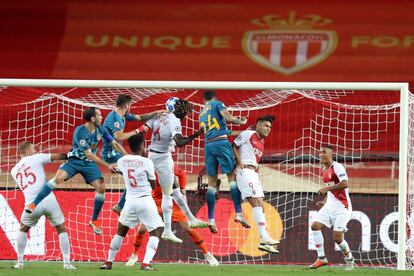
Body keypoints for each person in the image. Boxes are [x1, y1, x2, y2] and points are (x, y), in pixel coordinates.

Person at [25, 107, 125, 235]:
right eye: (99, 115)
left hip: (89, 164)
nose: (102, 117)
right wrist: (108, 165)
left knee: (101, 187)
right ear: (93, 119)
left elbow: (114, 144)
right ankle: (33, 204)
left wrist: (128, 156)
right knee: (58, 178)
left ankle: (94, 221)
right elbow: (89, 154)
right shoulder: (80, 131)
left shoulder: (102, 129)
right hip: (74, 161)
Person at [125, 165, 219, 267]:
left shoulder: (169, 165)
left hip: (172, 202)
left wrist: (183, 189)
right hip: (155, 201)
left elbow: (182, 173)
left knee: (188, 228)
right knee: (141, 229)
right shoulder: (148, 169)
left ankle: (207, 254)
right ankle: (134, 255)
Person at [144, 98, 206, 243]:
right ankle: (167, 230)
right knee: (167, 195)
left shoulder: (159, 115)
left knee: (175, 189)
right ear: (180, 110)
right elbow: (179, 142)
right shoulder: (174, 121)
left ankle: (191, 219)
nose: (188, 114)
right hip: (162, 157)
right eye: (187, 111)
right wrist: (197, 134)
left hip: (153, 153)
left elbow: (145, 127)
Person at [100, 133, 163, 271]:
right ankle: (145, 263)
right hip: (145, 200)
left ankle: (108, 262)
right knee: (157, 230)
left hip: (129, 201)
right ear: (142, 146)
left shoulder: (123, 160)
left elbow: (115, 169)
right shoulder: (147, 162)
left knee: (120, 231)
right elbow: (153, 185)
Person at [10, 141, 76, 270]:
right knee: (61, 228)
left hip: (31, 205)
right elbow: (59, 156)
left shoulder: (13, 170)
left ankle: (20, 262)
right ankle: (67, 263)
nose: (35, 150)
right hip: (48, 199)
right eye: (32, 149)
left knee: (23, 229)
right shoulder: (36, 157)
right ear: (25, 152)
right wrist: (73, 155)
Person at [101, 94, 165, 215]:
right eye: (130, 105)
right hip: (111, 156)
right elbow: (119, 137)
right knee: (136, 173)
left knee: (134, 175)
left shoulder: (122, 115)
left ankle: (122, 206)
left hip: (116, 152)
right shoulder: (114, 119)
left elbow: (139, 117)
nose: (130, 107)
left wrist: (156, 112)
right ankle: (126, 206)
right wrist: (137, 131)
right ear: (126, 106)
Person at [199, 90, 250, 233]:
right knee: (231, 178)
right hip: (221, 144)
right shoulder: (217, 104)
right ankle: (239, 213)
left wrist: (228, 130)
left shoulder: (201, 113)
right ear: (214, 98)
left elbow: (212, 129)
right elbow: (227, 116)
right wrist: (239, 121)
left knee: (211, 184)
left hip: (208, 146)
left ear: (204, 100)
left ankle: (210, 219)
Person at [233, 115, 279, 254]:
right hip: (245, 172)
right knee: (256, 204)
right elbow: (234, 145)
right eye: (266, 125)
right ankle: (264, 237)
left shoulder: (261, 142)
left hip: (253, 174)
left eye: (270, 127)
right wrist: (239, 163)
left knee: (261, 205)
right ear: (258, 125)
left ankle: (264, 241)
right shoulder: (249, 134)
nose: (268, 129)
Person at [309, 145, 354, 270]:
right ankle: (321, 258)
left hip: (342, 207)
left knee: (337, 238)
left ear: (330, 154)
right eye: (319, 152)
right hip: (329, 205)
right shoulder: (323, 170)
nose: (320, 154)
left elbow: (345, 184)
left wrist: (326, 188)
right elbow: (331, 191)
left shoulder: (337, 167)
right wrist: (324, 201)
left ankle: (349, 259)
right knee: (315, 226)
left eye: (324, 152)